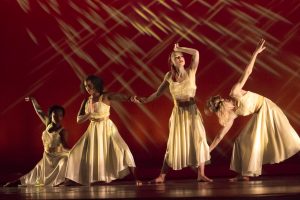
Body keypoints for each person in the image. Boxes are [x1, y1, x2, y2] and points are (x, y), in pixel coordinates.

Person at [206, 39, 300, 181]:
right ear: (221, 108)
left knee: (285, 138)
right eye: (222, 104)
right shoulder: (231, 114)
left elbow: (247, 72)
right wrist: (208, 151)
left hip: (268, 108)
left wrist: (255, 53)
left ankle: (246, 173)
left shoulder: (235, 92)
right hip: (260, 114)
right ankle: (243, 174)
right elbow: (220, 136)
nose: (225, 101)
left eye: (223, 100)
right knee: (241, 141)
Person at [133, 43, 212, 183]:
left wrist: (179, 49)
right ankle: (162, 176)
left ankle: (201, 174)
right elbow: (158, 93)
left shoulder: (191, 71)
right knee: (172, 144)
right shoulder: (169, 76)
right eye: (177, 57)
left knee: (199, 141)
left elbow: (196, 52)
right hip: (178, 114)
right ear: (172, 62)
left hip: (192, 112)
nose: (180, 58)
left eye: (181, 56)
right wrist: (144, 100)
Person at [65, 75, 142, 186]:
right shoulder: (86, 101)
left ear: (96, 85)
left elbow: (122, 97)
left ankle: (136, 178)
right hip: (93, 129)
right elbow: (78, 120)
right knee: (74, 152)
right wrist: (89, 114)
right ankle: (71, 179)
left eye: (89, 85)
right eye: (86, 86)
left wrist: (131, 98)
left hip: (107, 128)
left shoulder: (105, 96)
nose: (87, 88)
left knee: (124, 149)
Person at [4, 97, 69, 187]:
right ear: (51, 115)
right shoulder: (48, 124)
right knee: (34, 173)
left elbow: (65, 146)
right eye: (55, 114)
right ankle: (15, 183)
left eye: (60, 115)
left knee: (64, 161)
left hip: (57, 157)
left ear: (62, 117)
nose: (57, 117)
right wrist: (33, 99)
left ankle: (60, 181)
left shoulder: (62, 131)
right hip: (47, 157)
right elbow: (39, 111)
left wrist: (74, 151)